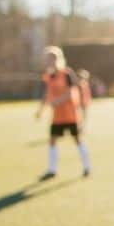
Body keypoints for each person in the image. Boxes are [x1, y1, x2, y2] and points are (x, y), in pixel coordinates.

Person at [34, 46, 90, 179]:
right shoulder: (48, 76)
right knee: (52, 141)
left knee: (77, 139)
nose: (50, 61)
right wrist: (40, 110)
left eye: (52, 58)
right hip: (57, 117)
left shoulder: (66, 73)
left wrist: (58, 101)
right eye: (48, 59)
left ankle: (87, 167)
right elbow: (47, 94)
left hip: (70, 114)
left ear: (58, 59)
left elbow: (71, 92)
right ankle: (52, 169)